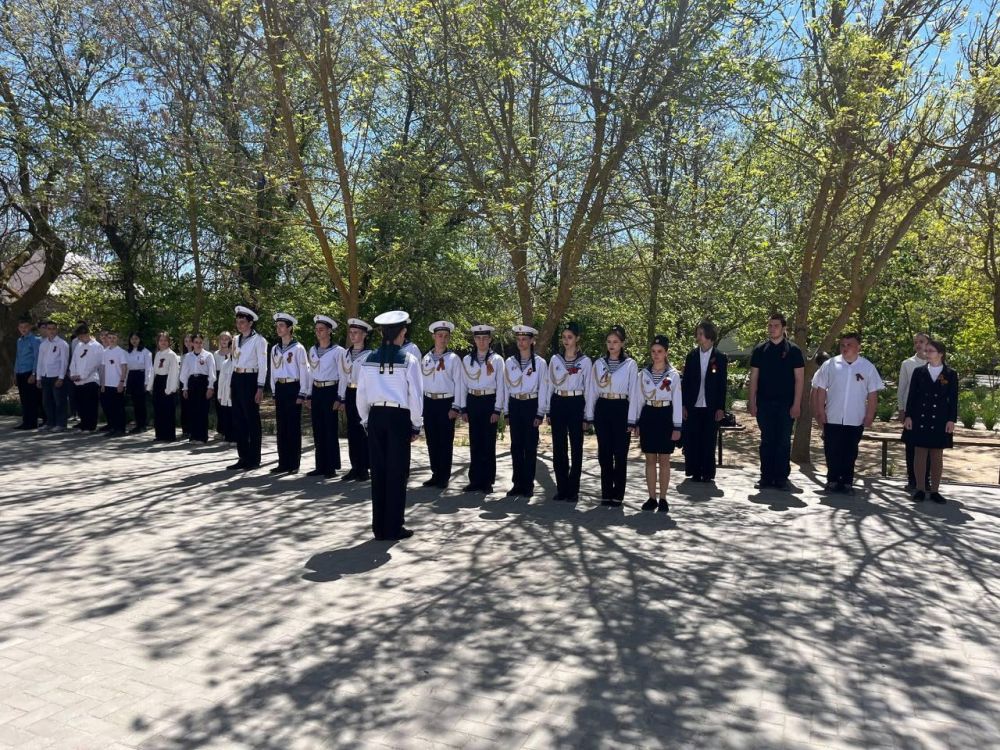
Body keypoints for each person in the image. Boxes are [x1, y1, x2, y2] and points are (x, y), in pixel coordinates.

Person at [357, 310, 424, 541]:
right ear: (402, 332)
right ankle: (393, 526)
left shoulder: (367, 359)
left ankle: (379, 527)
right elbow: (415, 396)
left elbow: (361, 395)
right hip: (398, 417)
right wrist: (416, 425)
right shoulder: (409, 360)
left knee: (378, 472)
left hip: (376, 415)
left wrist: (366, 420)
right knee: (397, 473)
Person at [812, 333, 884, 493]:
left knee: (850, 451)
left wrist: (870, 414)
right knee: (832, 450)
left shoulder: (867, 367)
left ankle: (846, 482)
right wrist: (820, 411)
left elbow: (872, 394)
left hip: (855, 417)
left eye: (849, 345)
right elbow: (820, 390)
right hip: (833, 416)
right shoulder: (830, 364)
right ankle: (832, 481)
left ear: (858, 347)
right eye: (842, 345)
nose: (845, 348)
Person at [748, 313, 805, 490]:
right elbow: (754, 377)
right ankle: (766, 477)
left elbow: (800, 380)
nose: (772, 328)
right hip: (764, 403)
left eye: (776, 325)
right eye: (770, 325)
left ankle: (781, 478)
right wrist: (752, 401)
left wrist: (797, 404)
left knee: (783, 441)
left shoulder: (793, 351)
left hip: (786, 404)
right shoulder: (760, 350)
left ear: (784, 328)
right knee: (767, 440)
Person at [629, 335, 682, 513]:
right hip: (649, 415)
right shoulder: (643, 374)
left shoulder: (673, 375)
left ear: (666, 353)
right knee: (650, 458)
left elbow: (677, 400)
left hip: (666, 415)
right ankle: (651, 497)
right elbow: (637, 399)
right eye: (653, 351)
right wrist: (635, 421)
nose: (656, 355)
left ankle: (663, 498)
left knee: (665, 459)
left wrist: (677, 426)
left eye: (659, 351)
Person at [586, 325, 637, 507]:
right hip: (603, 406)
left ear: (622, 343)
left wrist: (632, 419)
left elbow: (634, 393)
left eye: (615, 342)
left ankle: (618, 493)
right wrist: (589, 415)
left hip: (621, 407)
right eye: (609, 342)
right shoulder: (599, 363)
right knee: (604, 453)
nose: (612, 345)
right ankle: (606, 492)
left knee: (620, 453)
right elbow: (592, 389)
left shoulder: (630, 364)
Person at [903, 339, 958, 504]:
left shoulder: (950, 373)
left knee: (936, 455)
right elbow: (912, 396)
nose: (927, 353)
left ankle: (934, 491)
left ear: (940, 354)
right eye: (926, 351)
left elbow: (953, 399)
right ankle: (920, 489)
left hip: (940, 418)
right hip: (920, 417)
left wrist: (951, 420)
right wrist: (908, 416)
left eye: (931, 351)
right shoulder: (919, 372)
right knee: (919, 453)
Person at [456, 324, 506, 494]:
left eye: (485, 338)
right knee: (475, 442)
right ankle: (475, 480)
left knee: (488, 443)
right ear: (474, 340)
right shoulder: (467, 359)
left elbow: (501, 385)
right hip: (473, 401)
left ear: (490, 339)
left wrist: (497, 409)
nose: (482, 341)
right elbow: (462, 384)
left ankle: (487, 481)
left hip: (489, 401)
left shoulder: (497, 360)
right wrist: (463, 408)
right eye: (478, 338)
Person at [545, 322, 591, 503]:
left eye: (570, 337)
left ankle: (573, 489)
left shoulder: (585, 361)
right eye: (564, 337)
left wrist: (587, 415)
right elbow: (549, 384)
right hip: (558, 401)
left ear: (577, 338)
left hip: (576, 402)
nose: (566, 340)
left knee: (576, 447)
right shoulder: (555, 359)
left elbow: (588, 388)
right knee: (559, 447)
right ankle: (561, 487)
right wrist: (548, 410)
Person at [503, 325, 549, 499]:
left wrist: (540, 413)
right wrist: (506, 412)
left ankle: (528, 485)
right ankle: (517, 484)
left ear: (532, 341)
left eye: (525, 339)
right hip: (515, 404)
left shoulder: (540, 363)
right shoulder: (510, 362)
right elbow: (506, 388)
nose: (521, 343)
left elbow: (544, 388)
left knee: (530, 447)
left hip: (531, 404)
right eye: (519, 339)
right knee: (516, 446)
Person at [681, 321, 729, 483]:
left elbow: (722, 385)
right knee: (693, 439)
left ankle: (707, 473)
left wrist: (721, 408)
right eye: (698, 333)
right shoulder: (692, 356)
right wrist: (684, 405)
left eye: (701, 333)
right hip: (693, 405)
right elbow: (685, 383)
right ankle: (694, 471)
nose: (698, 337)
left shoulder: (720, 358)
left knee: (708, 440)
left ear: (709, 336)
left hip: (711, 406)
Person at [420, 320, 462, 489]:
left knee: (445, 441)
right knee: (432, 440)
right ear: (433, 337)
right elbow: (421, 382)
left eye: (446, 336)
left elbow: (459, 384)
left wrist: (456, 406)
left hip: (446, 403)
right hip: (429, 402)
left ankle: (444, 476)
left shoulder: (453, 359)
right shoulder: (426, 358)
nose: (442, 339)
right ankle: (435, 473)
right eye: (439, 336)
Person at [269, 313, 310, 473]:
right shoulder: (275, 349)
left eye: (281, 326)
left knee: (293, 426)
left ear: (290, 328)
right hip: (280, 387)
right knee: (281, 426)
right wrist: (273, 390)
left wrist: (303, 393)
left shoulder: (298, 348)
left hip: (293, 388)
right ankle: (283, 462)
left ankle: (294, 463)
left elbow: (304, 371)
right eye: (277, 325)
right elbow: (273, 370)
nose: (278, 328)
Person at [229, 306, 268, 470]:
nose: (240, 325)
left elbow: (263, 365)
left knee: (251, 419)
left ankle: (254, 458)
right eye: (238, 322)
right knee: (239, 420)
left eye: (243, 322)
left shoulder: (259, 340)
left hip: (250, 378)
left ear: (250, 323)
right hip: (237, 377)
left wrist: (260, 387)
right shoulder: (236, 339)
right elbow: (233, 361)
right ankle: (243, 456)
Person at [305, 315, 344, 478]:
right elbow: (310, 374)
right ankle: (320, 465)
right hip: (317, 390)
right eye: (316, 329)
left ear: (329, 331)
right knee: (318, 429)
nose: (318, 332)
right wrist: (308, 394)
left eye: (322, 329)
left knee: (330, 429)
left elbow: (343, 376)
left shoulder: (338, 351)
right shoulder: (313, 350)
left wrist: (340, 398)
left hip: (331, 390)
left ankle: (331, 466)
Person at [338, 318, 373, 481]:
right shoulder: (345, 353)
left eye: (356, 333)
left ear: (364, 334)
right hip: (350, 393)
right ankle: (354, 467)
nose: (352, 336)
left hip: (364, 394)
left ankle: (364, 468)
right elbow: (342, 377)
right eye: (351, 333)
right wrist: (341, 398)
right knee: (352, 432)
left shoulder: (370, 355)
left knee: (363, 431)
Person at [898, 333, 930, 490]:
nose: (918, 344)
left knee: (929, 446)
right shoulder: (907, 364)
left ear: (928, 343)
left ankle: (926, 481)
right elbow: (902, 388)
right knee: (911, 447)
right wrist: (901, 409)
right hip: (911, 411)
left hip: (930, 413)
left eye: (922, 341)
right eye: (916, 342)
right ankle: (912, 480)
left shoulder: (935, 363)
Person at [180, 334, 216, 443]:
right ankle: (193, 436)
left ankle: (202, 436)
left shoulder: (208, 355)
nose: (198, 344)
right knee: (192, 410)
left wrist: (210, 387)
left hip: (203, 382)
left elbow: (212, 372)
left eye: (200, 342)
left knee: (202, 410)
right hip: (192, 383)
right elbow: (184, 373)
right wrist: (185, 388)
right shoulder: (188, 356)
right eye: (196, 342)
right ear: (192, 343)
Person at [35, 320, 69, 433]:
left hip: (56, 376)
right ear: (46, 330)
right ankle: (50, 422)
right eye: (49, 329)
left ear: (57, 329)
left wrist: (61, 377)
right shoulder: (43, 344)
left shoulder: (62, 344)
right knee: (46, 402)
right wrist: (38, 377)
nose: (51, 331)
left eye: (53, 328)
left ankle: (61, 424)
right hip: (45, 376)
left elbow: (64, 362)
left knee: (59, 401)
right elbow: (40, 361)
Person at [68, 323, 103, 432]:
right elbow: (74, 361)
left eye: (81, 336)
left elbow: (94, 363)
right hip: (78, 380)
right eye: (79, 337)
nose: (80, 338)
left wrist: (82, 376)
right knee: (80, 403)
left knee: (90, 404)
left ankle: (90, 425)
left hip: (90, 380)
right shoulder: (79, 346)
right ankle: (83, 423)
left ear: (87, 334)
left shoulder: (96, 346)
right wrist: (73, 374)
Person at [149, 332, 181, 441]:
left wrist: (170, 388)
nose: (163, 342)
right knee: (158, 409)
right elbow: (153, 370)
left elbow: (174, 372)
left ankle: (169, 435)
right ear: (158, 342)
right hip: (158, 381)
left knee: (168, 410)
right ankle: (160, 434)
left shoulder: (172, 355)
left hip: (167, 381)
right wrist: (151, 385)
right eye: (161, 340)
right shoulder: (158, 354)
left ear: (169, 342)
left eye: (165, 340)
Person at [13, 317, 42, 430]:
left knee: (31, 399)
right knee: (24, 399)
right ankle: (26, 421)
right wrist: (15, 373)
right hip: (20, 372)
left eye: (25, 327)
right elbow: (17, 357)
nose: (23, 329)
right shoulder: (19, 341)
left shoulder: (35, 340)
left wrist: (34, 374)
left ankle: (32, 422)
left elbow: (37, 357)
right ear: (18, 328)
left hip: (29, 372)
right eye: (21, 327)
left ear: (30, 327)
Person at [100, 332, 129, 437]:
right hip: (107, 384)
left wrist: (121, 382)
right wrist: (102, 384)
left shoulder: (120, 352)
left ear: (117, 339)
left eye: (114, 338)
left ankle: (121, 429)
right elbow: (103, 368)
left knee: (118, 408)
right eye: (110, 338)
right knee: (110, 408)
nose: (111, 340)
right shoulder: (105, 352)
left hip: (117, 383)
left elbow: (124, 368)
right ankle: (113, 427)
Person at [125, 333, 153, 433]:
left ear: (140, 339)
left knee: (141, 403)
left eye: (136, 338)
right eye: (132, 339)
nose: (134, 341)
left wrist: (147, 382)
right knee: (135, 402)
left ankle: (142, 425)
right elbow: (127, 368)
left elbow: (148, 368)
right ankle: (137, 424)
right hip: (132, 377)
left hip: (141, 377)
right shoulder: (128, 352)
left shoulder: (146, 352)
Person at [213, 332, 235, 441]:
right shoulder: (216, 354)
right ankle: (221, 431)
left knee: (231, 409)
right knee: (220, 407)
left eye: (227, 339)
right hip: (219, 380)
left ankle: (231, 433)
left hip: (232, 381)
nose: (224, 341)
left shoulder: (236, 357)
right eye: (222, 338)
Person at [180, 333, 195, 437]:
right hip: (183, 383)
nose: (188, 343)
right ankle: (185, 429)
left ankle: (192, 429)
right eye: (186, 341)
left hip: (193, 382)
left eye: (189, 341)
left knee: (192, 407)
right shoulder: (183, 356)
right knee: (184, 407)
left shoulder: (197, 355)